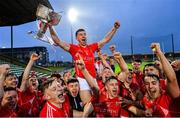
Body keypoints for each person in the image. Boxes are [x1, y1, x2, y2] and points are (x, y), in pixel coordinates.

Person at [48, 21, 120, 105]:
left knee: (99, 102)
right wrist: (50, 26)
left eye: (85, 34)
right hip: (82, 80)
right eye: (81, 34)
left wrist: (114, 28)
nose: (83, 36)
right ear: (77, 38)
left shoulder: (92, 47)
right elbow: (58, 41)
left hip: (93, 79)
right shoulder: (73, 48)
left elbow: (105, 40)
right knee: (88, 104)